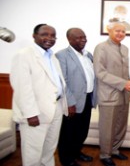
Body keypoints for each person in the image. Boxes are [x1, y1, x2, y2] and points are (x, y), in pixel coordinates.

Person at [10, 24, 68, 166]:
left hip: (56, 108)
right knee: (33, 153)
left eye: (53, 35)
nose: (49, 38)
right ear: (34, 36)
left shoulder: (52, 56)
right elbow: (22, 88)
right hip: (36, 112)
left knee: (49, 150)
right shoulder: (23, 55)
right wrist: (30, 114)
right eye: (44, 34)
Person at [93, 20, 130, 166]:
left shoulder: (125, 49)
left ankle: (115, 150)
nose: (120, 33)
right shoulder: (101, 48)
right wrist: (124, 84)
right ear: (108, 30)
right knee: (107, 127)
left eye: (123, 31)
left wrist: (128, 88)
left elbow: (126, 71)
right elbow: (100, 72)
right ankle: (105, 155)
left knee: (120, 125)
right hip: (108, 95)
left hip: (124, 94)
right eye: (117, 30)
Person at [55, 28, 97, 166]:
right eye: (78, 37)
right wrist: (69, 102)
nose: (83, 40)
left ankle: (76, 152)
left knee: (82, 131)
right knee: (68, 133)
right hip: (72, 102)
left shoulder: (88, 55)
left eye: (84, 37)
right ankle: (66, 159)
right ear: (70, 39)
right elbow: (62, 81)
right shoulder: (62, 55)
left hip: (87, 99)